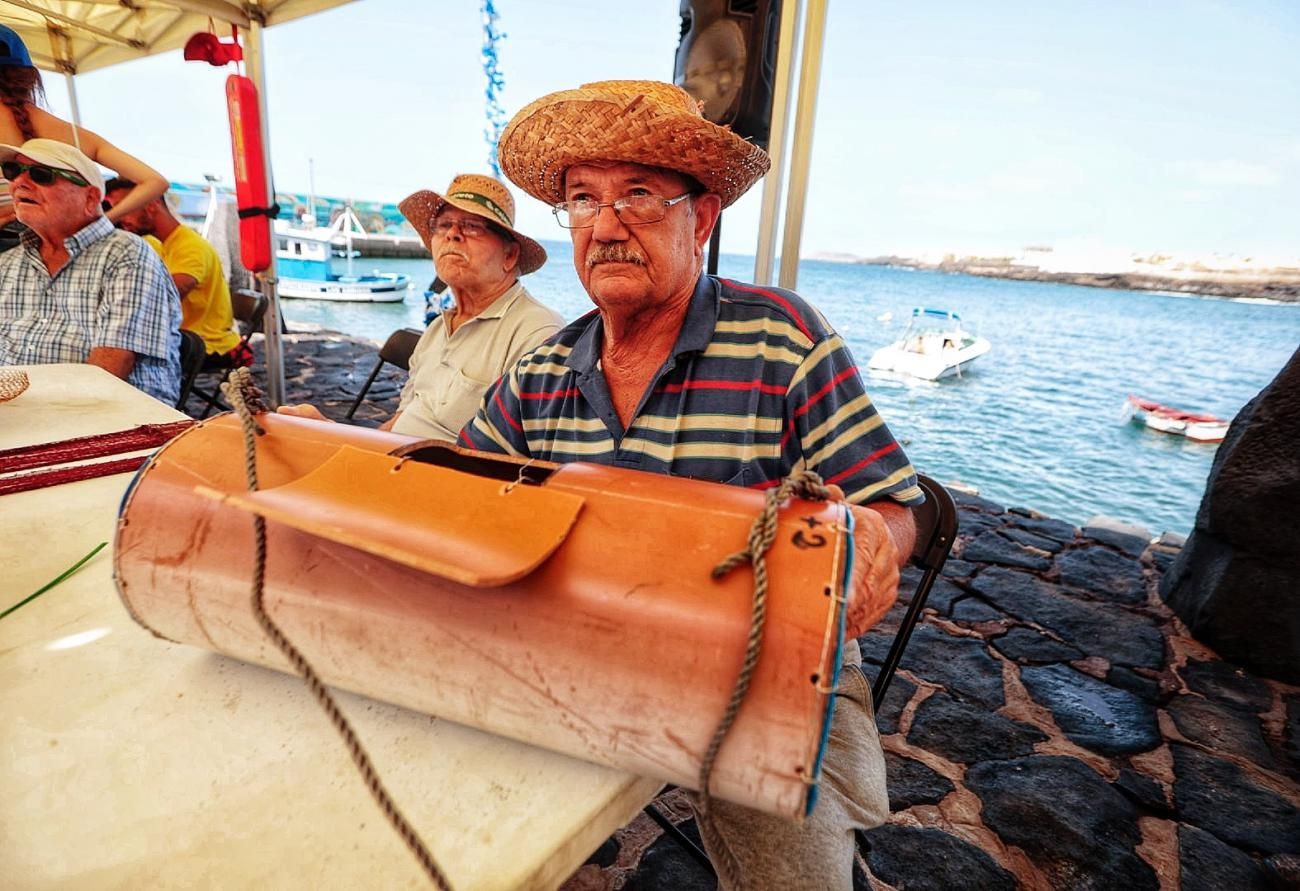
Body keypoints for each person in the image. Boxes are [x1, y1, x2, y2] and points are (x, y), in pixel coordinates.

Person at [460, 80, 922, 890]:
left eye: (637, 195)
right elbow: (460, 489)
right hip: (576, 650)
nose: (605, 226)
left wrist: (876, 539)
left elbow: (888, 502)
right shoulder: (539, 374)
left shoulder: (782, 335)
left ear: (700, 218)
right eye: (581, 200)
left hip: (759, 669)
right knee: (462, 818)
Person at [279, 173, 563, 440]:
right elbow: (402, 421)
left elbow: (525, 464)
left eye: (471, 226)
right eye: (443, 225)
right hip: (395, 468)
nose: (452, 234)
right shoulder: (437, 330)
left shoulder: (536, 333)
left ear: (510, 255)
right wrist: (333, 434)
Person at [0, 138, 180, 404]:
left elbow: (107, 375)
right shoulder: (9, 263)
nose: (19, 183)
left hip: (108, 418)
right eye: (12, 171)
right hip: (17, 412)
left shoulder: (126, 253)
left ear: (90, 197)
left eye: (41, 175)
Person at [0, 25, 168, 235]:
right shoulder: (70, 133)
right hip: (58, 248)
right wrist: (103, 222)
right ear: (29, 76)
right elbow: (155, 181)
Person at [103, 176, 248, 366]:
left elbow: (163, 298)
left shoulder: (190, 246)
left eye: (125, 206)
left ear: (152, 204)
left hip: (207, 344)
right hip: (183, 337)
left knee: (119, 348)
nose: (119, 216)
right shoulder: (161, 243)